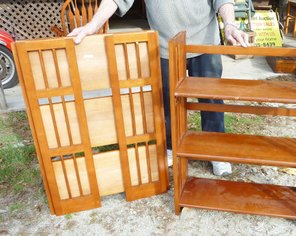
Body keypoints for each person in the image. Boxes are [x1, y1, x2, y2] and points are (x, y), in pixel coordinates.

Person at [69, 0, 249, 176]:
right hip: (166, 46)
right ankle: (171, 146)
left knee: (211, 100)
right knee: (168, 101)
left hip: (205, 42)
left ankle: (216, 151)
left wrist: (230, 24)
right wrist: (92, 25)